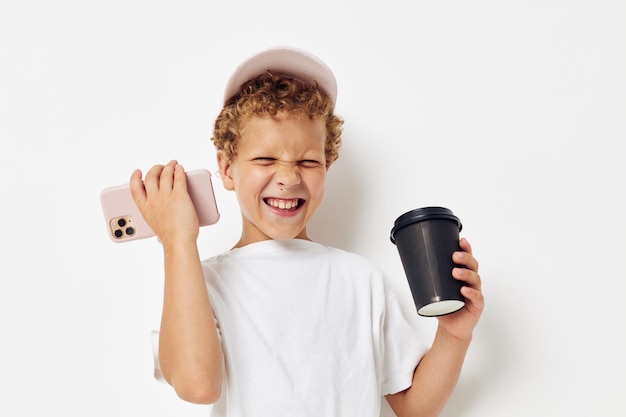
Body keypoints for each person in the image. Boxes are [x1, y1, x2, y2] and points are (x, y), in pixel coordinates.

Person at [129, 46, 484, 417]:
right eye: (265, 158)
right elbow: (197, 386)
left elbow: (413, 408)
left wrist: (454, 335)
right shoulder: (201, 283)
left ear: (327, 166)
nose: (287, 177)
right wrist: (177, 240)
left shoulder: (360, 280)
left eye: (308, 161)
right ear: (227, 168)